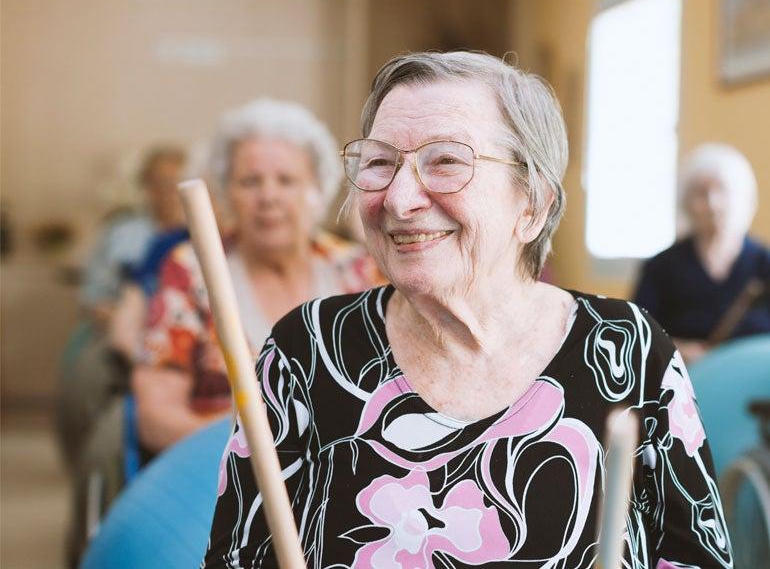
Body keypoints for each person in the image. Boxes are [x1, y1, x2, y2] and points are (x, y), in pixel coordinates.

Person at [204, 52, 733, 567]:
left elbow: (698, 557)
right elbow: (237, 556)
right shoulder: (307, 349)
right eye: (381, 163)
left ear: (533, 203)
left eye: (447, 162)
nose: (398, 198)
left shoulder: (629, 353)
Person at [134, 98, 383, 455]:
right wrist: (261, 448)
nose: (268, 196)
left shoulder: (360, 271)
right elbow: (155, 419)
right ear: (226, 192)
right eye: (250, 181)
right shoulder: (192, 271)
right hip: (219, 473)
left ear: (318, 190)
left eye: (286, 180)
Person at [634, 143, 770, 364]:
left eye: (723, 190)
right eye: (701, 193)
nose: (712, 204)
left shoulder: (764, 264)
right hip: (684, 384)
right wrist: (675, 349)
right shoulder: (662, 267)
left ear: (745, 199)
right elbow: (637, 335)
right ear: (685, 203)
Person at [79, 146, 187, 326]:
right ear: (146, 187)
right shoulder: (121, 231)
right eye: (161, 183)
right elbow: (93, 296)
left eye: (179, 182)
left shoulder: (202, 236)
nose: (171, 191)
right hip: (119, 329)